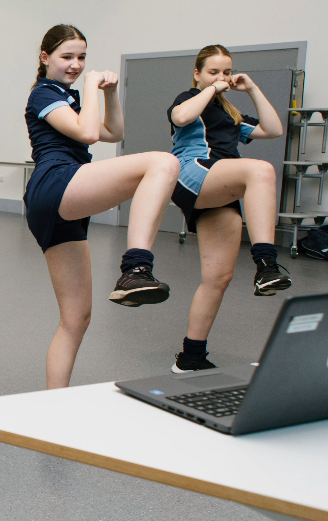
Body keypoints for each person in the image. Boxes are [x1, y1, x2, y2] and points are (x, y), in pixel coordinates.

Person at [22, 25, 179, 390]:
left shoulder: (71, 96)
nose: (75, 64)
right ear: (45, 58)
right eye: (66, 57)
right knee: (163, 163)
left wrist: (109, 94)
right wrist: (91, 85)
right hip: (56, 183)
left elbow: (114, 132)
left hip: (66, 196)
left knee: (76, 319)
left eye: (81, 57)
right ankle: (136, 267)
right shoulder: (43, 94)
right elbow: (89, 134)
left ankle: (52, 407)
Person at [167, 44, 289, 372]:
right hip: (194, 171)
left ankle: (191, 357)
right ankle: (266, 264)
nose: (221, 77)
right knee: (261, 170)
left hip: (221, 183)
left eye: (226, 72)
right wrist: (211, 90)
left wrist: (252, 89)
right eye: (213, 71)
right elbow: (181, 117)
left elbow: (273, 129)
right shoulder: (187, 98)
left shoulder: (230, 113)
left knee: (218, 278)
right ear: (197, 73)